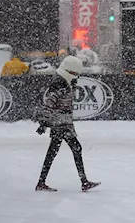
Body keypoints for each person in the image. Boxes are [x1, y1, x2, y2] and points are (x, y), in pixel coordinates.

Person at [35, 56, 99, 192]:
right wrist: (44, 122)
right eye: (76, 73)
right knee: (76, 148)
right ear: (70, 71)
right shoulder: (60, 83)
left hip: (63, 121)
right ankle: (84, 181)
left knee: (53, 151)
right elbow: (49, 103)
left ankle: (41, 182)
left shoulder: (66, 81)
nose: (78, 76)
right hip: (61, 122)